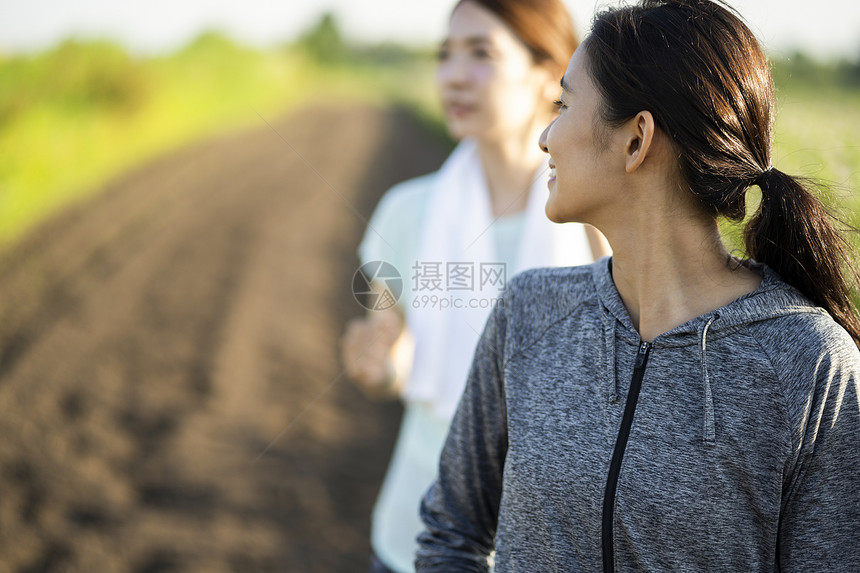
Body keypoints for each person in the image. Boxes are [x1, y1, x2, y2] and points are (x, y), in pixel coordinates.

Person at [416, 0, 860, 570]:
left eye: (564, 104)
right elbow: (451, 531)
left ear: (636, 139)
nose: (545, 137)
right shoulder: (529, 312)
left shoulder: (810, 364)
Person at [340, 1, 609, 571]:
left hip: (557, 543)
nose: (453, 75)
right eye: (445, 55)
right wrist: (381, 366)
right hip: (416, 531)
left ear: (547, 74)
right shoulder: (404, 212)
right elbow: (392, 345)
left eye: (481, 53)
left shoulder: (600, 217)